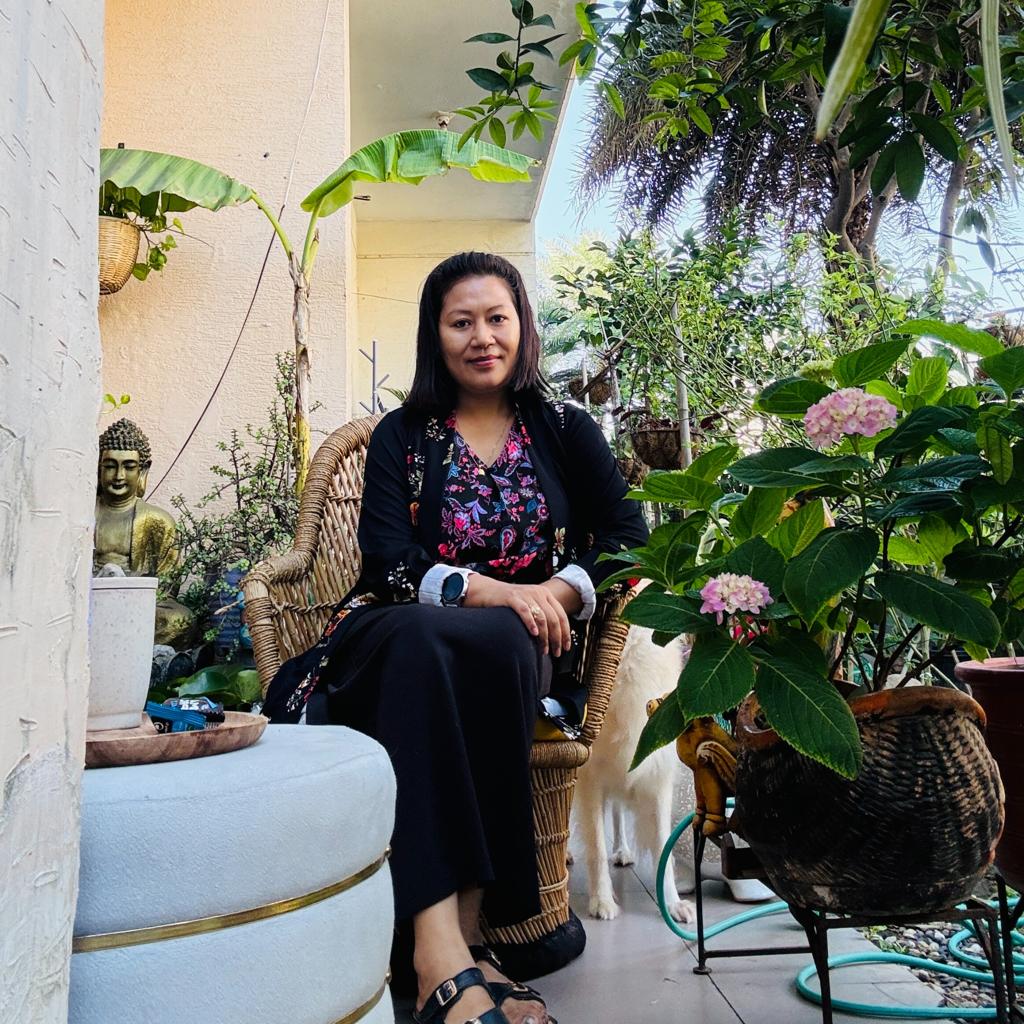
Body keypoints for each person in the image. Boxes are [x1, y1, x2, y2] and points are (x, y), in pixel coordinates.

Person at [264, 252, 648, 1024]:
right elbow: (385, 560)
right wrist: (499, 590)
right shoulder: (404, 436)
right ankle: (448, 950)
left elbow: (627, 535)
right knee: (429, 637)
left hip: (516, 641)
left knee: (504, 644)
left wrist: (564, 590)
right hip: (396, 627)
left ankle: (457, 945)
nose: (482, 337)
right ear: (435, 336)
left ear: (522, 328)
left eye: (496, 318)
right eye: (461, 321)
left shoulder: (566, 429)